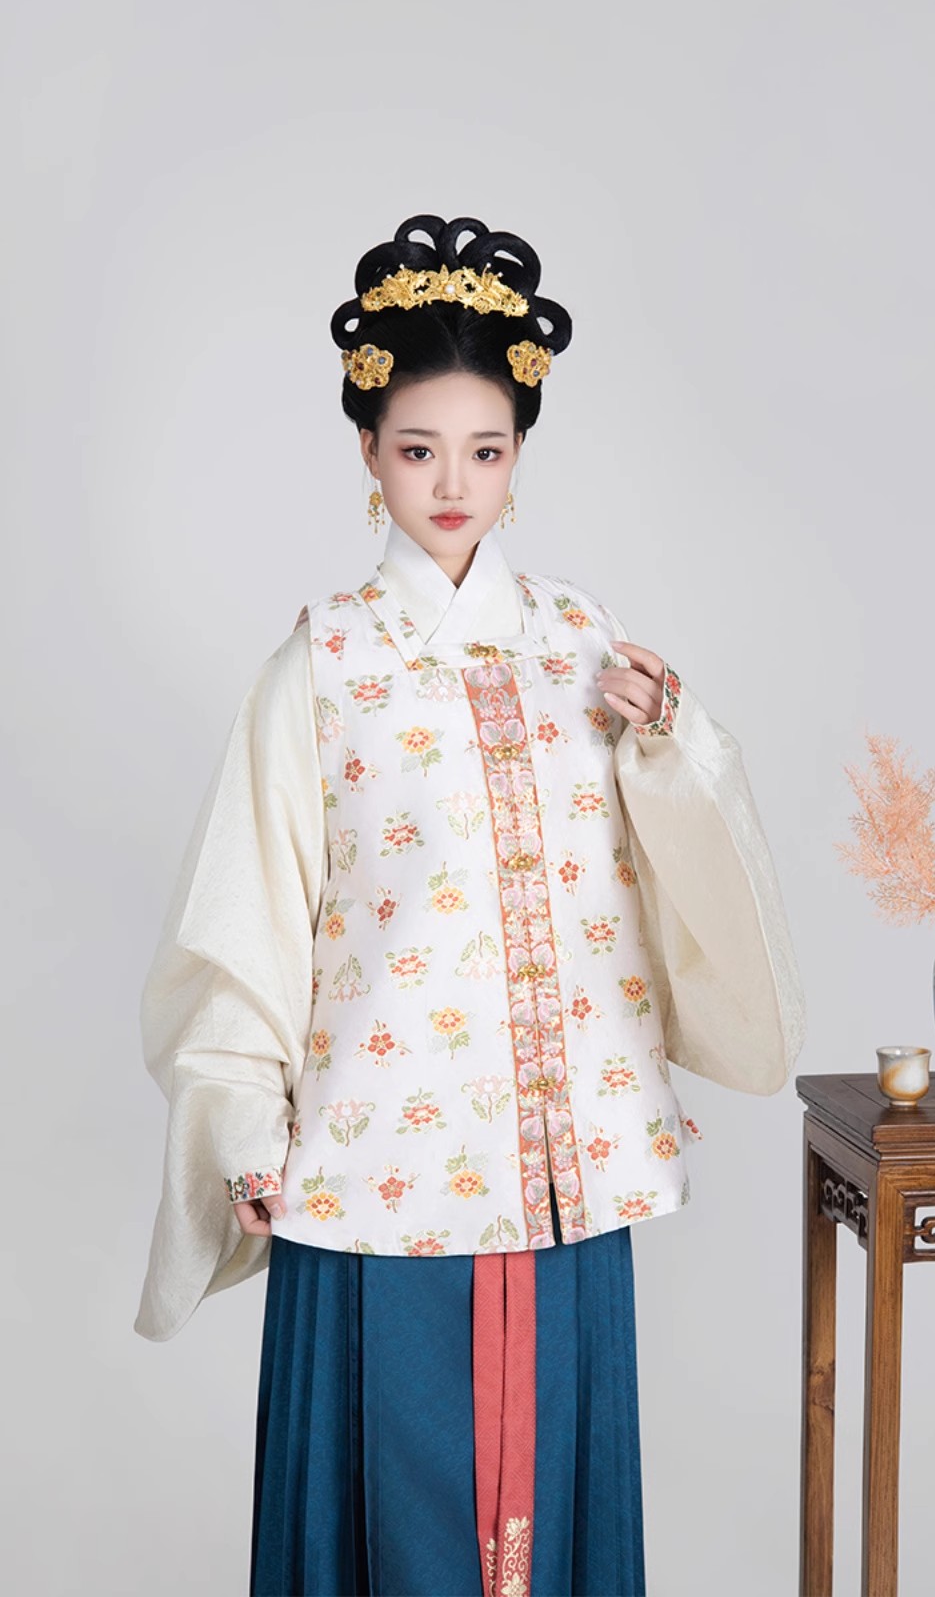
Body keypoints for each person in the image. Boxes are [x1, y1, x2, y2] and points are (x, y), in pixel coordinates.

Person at [134, 212, 807, 1597]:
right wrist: (243, 1116)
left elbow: (678, 858)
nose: (453, 484)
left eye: (486, 452)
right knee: (396, 1512)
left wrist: (668, 741)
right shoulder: (321, 665)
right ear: (368, 451)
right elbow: (250, 900)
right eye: (420, 450)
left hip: (563, 1169)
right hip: (376, 1160)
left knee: (551, 1508)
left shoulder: (581, 642)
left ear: (519, 458)